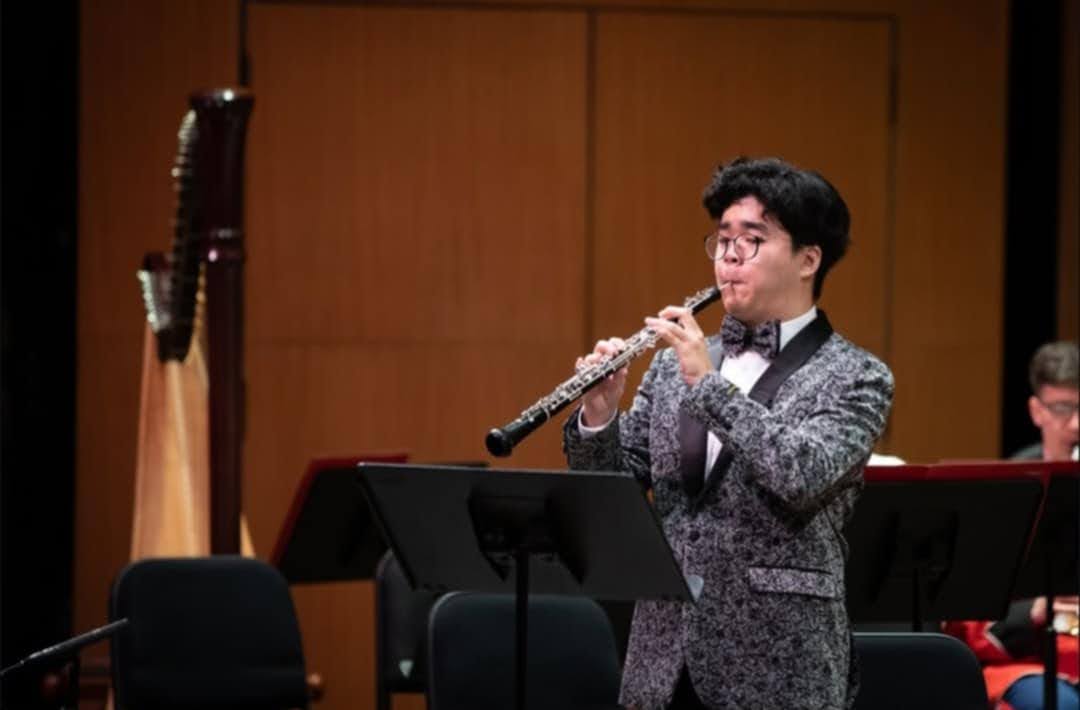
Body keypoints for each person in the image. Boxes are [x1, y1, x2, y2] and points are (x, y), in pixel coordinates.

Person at [563, 157, 894, 709]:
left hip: (780, 664)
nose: (730, 256)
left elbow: (801, 475)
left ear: (809, 259)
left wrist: (709, 385)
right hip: (663, 657)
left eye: (753, 240)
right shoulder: (674, 366)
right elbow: (611, 497)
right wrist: (600, 416)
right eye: (722, 240)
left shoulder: (856, 376)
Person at [944, 341, 1079, 710]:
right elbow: (966, 616)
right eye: (1063, 408)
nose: (1077, 423)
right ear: (1037, 411)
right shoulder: (1007, 495)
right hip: (1027, 666)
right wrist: (1035, 610)